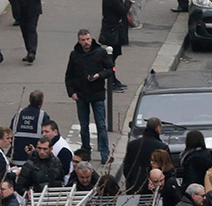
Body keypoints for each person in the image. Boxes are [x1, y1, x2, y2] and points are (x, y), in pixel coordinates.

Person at [65, 29, 114, 164]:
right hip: (81, 95)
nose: (86, 42)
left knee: (101, 125)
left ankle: (104, 152)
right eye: (83, 40)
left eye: (88, 39)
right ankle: (86, 150)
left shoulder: (100, 52)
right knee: (84, 126)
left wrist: (99, 75)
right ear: (79, 41)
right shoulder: (75, 55)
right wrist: (72, 93)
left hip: (97, 94)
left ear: (91, 39)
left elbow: (110, 69)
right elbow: (69, 75)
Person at [124, 117, 168, 194]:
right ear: (158, 128)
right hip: (154, 188)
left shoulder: (132, 145)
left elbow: (127, 168)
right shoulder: (161, 147)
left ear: (147, 127)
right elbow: (166, 169)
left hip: (134, 187)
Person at [98, 0, 132, 92]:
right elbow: (122, 10)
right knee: (111, 56)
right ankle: (111, 80)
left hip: (114, 29)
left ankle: (113, 78)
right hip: (113, 30)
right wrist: (129, 2)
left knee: (114, 55)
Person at [8, 90, 50, 165]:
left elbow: (10, 132)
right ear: (41, 103)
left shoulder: (18, 114)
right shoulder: (43, 116)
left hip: (15, 159)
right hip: (34, 162)